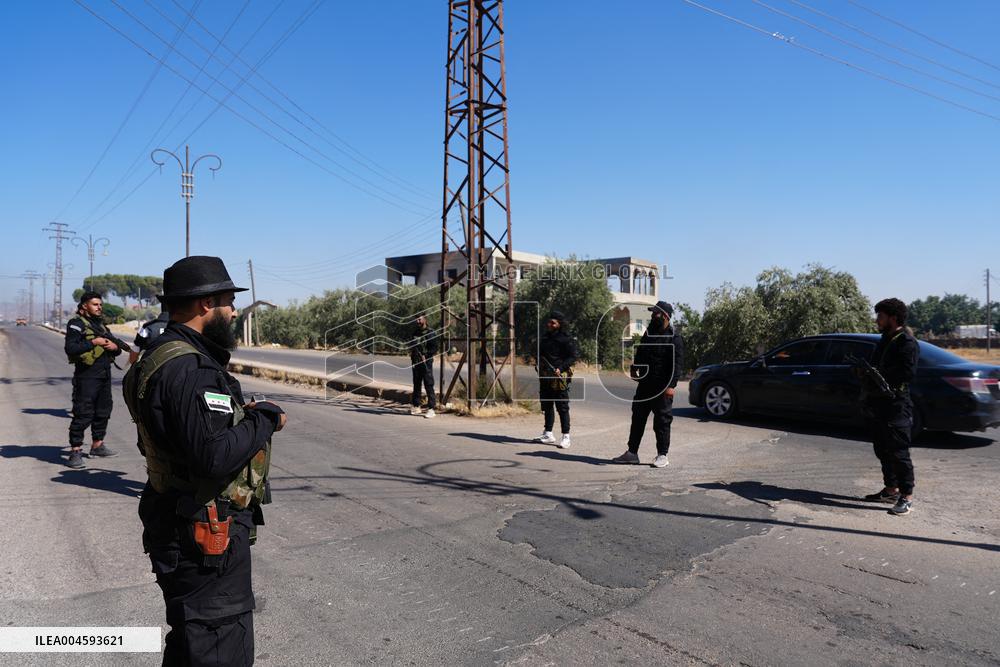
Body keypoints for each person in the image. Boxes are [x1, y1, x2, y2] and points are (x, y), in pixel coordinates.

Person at [122, 256, 287, 665]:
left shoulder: (157, 355)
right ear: (204, 305)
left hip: (177, 521)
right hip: (202, 534)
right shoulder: (190, 369)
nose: (233, 311)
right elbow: (213, 456)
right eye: (228, 301)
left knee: (191, 644)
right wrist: (265, 417)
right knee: (218, 648)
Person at [862, 298, 920, 516]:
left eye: (881, 315)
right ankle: (891, 490)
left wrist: (882, 376)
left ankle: (906, 497)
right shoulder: (885, 339)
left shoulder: (906, 342)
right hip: (879, 404)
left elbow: (907, 373)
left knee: (899, 452)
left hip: (897, 404)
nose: (877, 319)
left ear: (893, 318)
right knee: (882, 449)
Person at [613, 300, 684, 468]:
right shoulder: (649, 332)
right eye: (652, 313)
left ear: (665, 316)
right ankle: (632, 453)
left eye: (656, 313)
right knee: (637, 418)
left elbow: (677, 365)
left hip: (662, 387)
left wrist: (671, 386)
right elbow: (641, 352)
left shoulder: (675, 338)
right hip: (645, 385)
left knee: (662, 422)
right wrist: (635, 367)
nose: (653, 316)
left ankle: (662, 455)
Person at [64, 291, 124, 468]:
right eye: (95, 304)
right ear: (84, 306)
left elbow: (117, 347)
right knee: (83, 413)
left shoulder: (101, 325)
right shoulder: (76, 324)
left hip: (104, 375)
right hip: (87, 376)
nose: (99, 307)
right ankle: (75, 451)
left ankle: (97, 445)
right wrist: (94, 343)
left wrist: (114, 347)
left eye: (100, 304)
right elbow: (71, 348)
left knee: (103, 411)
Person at [533, 311, 579, 448]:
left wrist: (561, 368)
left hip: (559, 377)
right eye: (549, 322)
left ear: (559, 324)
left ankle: (566, 436)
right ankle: (548, 433)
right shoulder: (545, 337)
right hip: (545, 376)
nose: (549, 325)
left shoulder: (566, 339)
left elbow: (573, 356)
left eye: (553, 322)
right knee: (547, 405)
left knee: (562, 407)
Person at [409, 314, 439, 419]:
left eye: (419, 319)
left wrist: (426, 355)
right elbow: (412, 345)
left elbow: (434, 348)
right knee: (416, 384)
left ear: (425, 319)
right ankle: (417, 405)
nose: (417, 321)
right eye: (416, 319)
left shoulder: (431, 333)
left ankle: (431, 408)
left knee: (428, 384)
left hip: (426, 362)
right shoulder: (415, 333)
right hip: (416, 362)